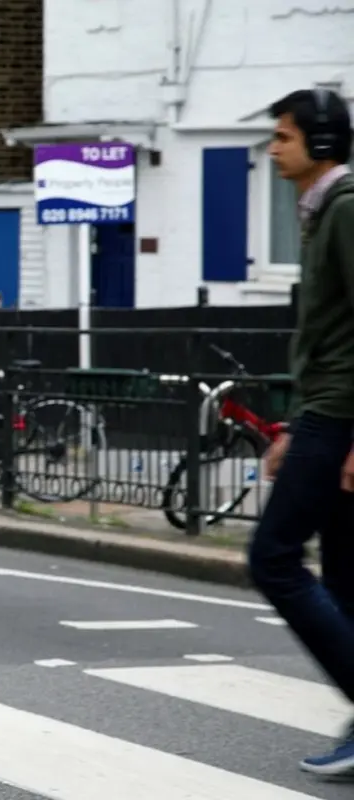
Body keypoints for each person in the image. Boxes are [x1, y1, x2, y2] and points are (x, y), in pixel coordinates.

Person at [250, 87, 354, 777]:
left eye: (283, 136)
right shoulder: (322, 212)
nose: (273, 148)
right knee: (345, 576)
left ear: (319, 142)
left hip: (343, 415)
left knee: (274, 558)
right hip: (325, 411)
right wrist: (292, 424)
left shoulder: (345, 211)